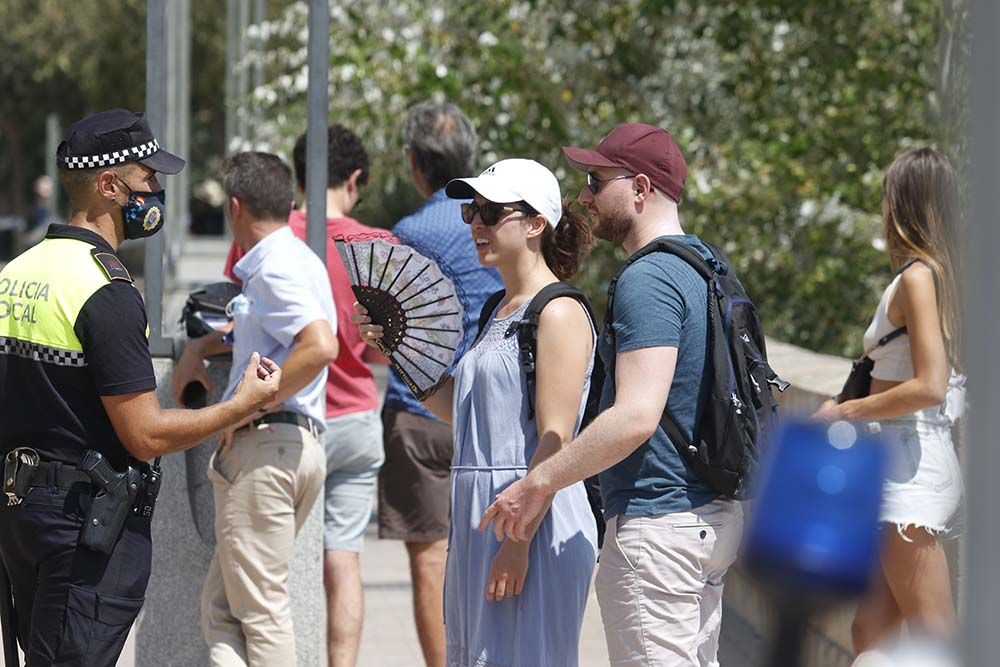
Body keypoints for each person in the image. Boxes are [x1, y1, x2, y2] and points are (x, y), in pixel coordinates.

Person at [0, 109, 280, 667]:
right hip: (83, 527)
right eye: (147, 178)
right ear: (108, 185)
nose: (155, 191)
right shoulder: (106, 291)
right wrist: (240, 405)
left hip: (22, 514)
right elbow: (145, 434)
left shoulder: (16, 273)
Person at [479, 124, 746, 666]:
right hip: (708, 519)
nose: (583, 197)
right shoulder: (705, 266)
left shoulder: (649, 279)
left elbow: (635, 416)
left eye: (596, 182)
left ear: (641, 188)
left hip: (658, 524)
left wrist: (537, 484)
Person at [355, 158, 598, 666]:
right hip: (483, 517)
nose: (477, 224)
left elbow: (556, 440)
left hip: (530, 521)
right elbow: (464, 416)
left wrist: (518, 542)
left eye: (492, 211)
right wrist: (396, 350)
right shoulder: (498, 309)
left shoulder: (558, 312)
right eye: (472, 211)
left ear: (536, 223)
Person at [219, 125, 396, 667]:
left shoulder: (272, 244)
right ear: (356, 179)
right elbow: (387, 354)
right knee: (342, 563)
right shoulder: (375, 245)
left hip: (283, 421)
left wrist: (253, 400)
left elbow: (241, 310)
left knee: (262, 593)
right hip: (353, 416)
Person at [172, 152, 339, 666]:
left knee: (260, 615)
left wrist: (244, 408)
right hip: (291, 445)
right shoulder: (297, 262)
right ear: (289, 204)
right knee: (222, 611)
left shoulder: (274, 266)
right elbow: (264, 335)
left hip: (266, 448)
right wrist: (199, 350)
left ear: (235, 207)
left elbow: (320, 345)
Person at [810, 148, 963, 657]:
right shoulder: (938, 275)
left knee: (933, 634)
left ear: (902, 202)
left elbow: (931, 386)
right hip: (900, 465)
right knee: (869, 632)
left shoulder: (919, 277)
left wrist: (844, 412)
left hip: (909, 476)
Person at [378, 100, 503, 667]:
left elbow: (394, 329)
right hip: (492, 412)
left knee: (430, 561)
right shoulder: (499, 224)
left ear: (414, 163)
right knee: (490, 557)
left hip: (420, 413)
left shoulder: (411, 232)